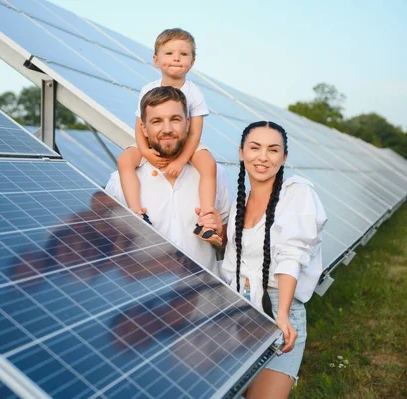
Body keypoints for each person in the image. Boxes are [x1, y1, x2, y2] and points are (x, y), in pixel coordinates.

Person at [221, 121, 328, 398]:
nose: (263, 157)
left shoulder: (297, 194)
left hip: (279, 308)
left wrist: (281, 316)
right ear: (241, 152)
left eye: (273, 149)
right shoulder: (238, 206)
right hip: (239, 308)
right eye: (255, 148)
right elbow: (235, 264)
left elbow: (292, 256)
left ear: (284, 157)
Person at [106, 86, 230, 275]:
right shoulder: (119, 182)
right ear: (143, 129)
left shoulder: (215, 174)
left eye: (175, 119)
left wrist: (219, 231)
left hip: (205, 300)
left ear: (187, 124)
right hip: (143, 299)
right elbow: (107, 251)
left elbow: (230, 241)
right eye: (156, 121)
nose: (167, 129)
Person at [116, 28, 220, 245]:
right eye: (169, 53)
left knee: (208, 164)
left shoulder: (195, 93)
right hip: (150, 142)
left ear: (192, 61)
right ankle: (137, 212)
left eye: (183, 54)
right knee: (125, 160)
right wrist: (145, 152)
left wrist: (183, 159)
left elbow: (195, 131)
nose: (176, 58)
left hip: (186, 142)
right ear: (156, 59)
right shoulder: (148, 89)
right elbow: (140, 125)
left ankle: (206, 218)